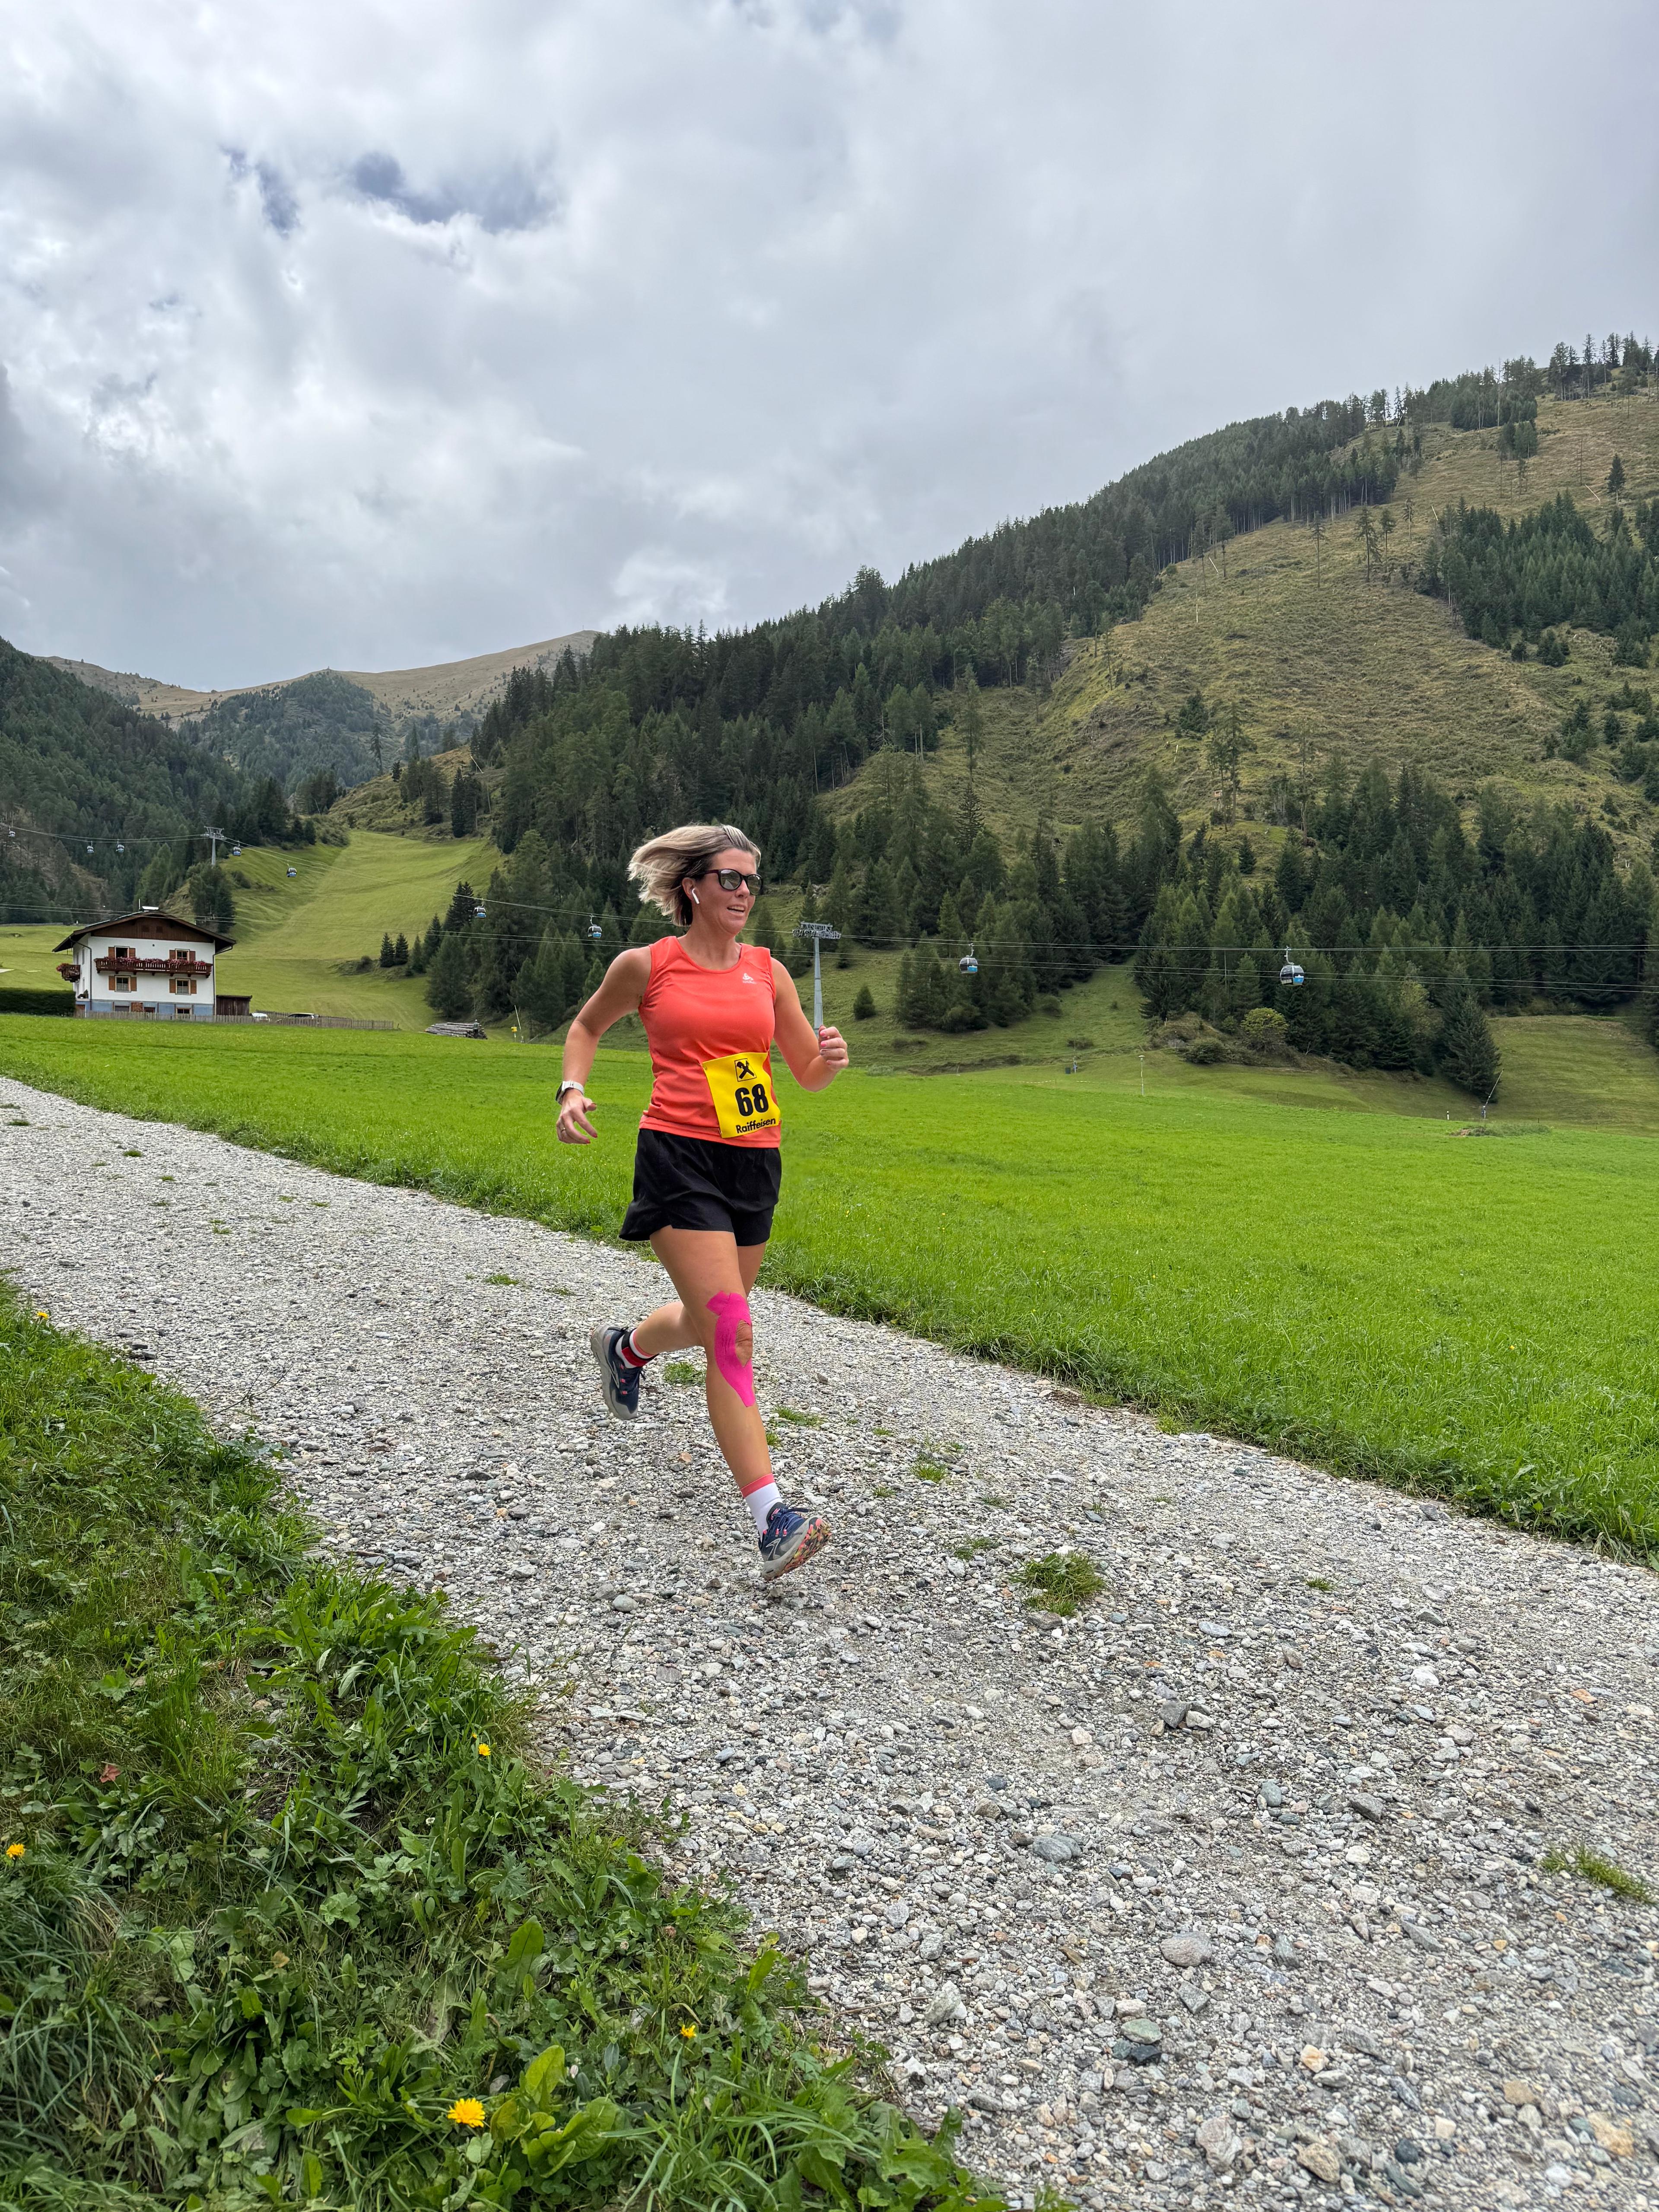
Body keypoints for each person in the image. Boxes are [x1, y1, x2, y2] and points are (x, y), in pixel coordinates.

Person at [556, 824, 849, 1580]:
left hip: (754, 1160)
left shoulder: (768, 972)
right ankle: (772, 1519)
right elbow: (587, 1025)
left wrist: (830, 1059)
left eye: (753, 880)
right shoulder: (647, 965)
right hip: (678, 1158)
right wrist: (572, 1089)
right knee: (733, 1334)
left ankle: (626, 1349)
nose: (745, 892)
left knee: (714, 1318)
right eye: (730, 878)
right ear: (693, 887)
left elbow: (806, 1073)